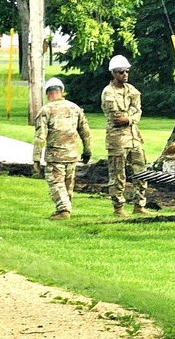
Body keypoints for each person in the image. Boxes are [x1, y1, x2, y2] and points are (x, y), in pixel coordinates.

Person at [33, 77, 92, 220]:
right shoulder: (75, 108)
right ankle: (63, 210)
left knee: (56, 182)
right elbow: (85, 132)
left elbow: (41, 136)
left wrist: (36, 158)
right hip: (72, 154)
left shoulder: (46, 110)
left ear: (48, 94)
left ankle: (64, 210)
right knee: (67, 184)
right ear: (62, 91)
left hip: (55, 155)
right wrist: (87, 151)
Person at [101, 55, 148, 216]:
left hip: (134, 137)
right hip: (118, 140)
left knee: (141, 171)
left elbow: (138, 112)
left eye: (126, 71)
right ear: (113, 73)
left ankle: (139, 205)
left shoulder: (132, 90)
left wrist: (129, 118)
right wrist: (130, 116)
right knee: (118, 174)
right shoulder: (108, 92)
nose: (125, 74)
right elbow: (116, 116)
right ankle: (118, 207)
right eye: (121, 72)